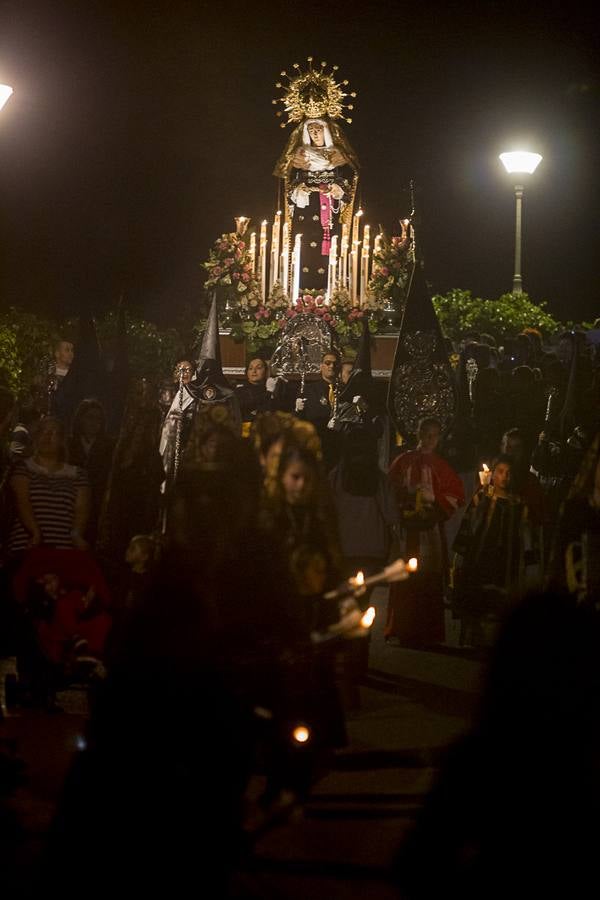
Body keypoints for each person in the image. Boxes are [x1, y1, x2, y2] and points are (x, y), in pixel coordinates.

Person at [386, 417, 464, 648]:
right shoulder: (403, 461)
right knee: (404, 579)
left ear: (439, 438)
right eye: (425, 434)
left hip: (429, 531)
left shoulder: (441, 465)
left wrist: (434, 502)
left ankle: (427, 632)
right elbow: (390, 489)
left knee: (428, 580)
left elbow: (455, 494)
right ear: (417, 433)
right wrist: (406, 501)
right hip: (407, 530)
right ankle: (401, 627)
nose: (429, 439)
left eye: (434, 435)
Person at [451, 455, 531, 648]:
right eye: (501, 472)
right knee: (477, 594)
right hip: (481, 554)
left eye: (509, 473)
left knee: (499, 598)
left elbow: (525, 532)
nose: (505, 477)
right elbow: (469, 523)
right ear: (492, 474)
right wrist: (461, 552)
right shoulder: (482, 497)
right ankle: (473, 637)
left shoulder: (518, 504)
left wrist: (529, 558)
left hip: (506, 559)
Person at [274, 117, 358, 291]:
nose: (315, 133)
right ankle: (303, 288)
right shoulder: (299, 156)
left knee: (329, 249)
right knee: (304, 248)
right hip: (306, 211)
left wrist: (337, 188)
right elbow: (289, 182)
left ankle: (330, 288)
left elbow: (349, 179)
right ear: (306, 133)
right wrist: (299, 190)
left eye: (318, 129)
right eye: (311, 130)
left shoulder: (337, 155)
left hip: (330, 212)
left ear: (325, 131)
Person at [7, 417, 90, 556]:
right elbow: (22, 501)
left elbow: (81, 510)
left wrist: (77, 535)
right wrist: (35, 531)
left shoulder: (77, 474)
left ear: (61, 440)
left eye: (53, 432)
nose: (47, 436)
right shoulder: (23, 468)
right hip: (26, 546)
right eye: (42, 432)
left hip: (63, 549)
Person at [68, 399, 115, 544]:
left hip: (97, 502)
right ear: (81, 419)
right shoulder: (69, 444)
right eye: (90, 417)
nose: (94, 422)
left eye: (98, 418)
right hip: (72, 501)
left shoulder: (110, 447)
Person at [294, 350, 341, 470]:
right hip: (317, 446)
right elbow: (299, 421)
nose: (332, 366)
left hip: (339, 446)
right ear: (321, 366)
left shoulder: (345, 390)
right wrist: (297, 410)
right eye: (328, 363)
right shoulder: (309, 390)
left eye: (335, 364)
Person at [235, 356, 273, 433]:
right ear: (247, 372)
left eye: (258, 368)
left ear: (266, 372)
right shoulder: (240, 390)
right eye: (251, 368)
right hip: (246, 432)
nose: (254, 371)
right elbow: (245, 406)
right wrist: (269, 393)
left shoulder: (271, 386)